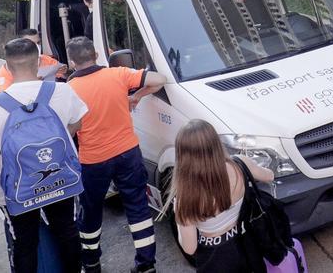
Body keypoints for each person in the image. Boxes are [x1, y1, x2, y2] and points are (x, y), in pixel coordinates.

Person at [0, 37, 87, 273]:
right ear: (38, 62)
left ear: (6, 67)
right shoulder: (62, 90)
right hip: (60, 178)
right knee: (67, 231)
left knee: (25, 244)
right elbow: (76, 124)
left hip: (18, 188)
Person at [63, 36, 167, 273]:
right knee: (138, 207)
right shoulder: (118, 74)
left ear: (71, 61)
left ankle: (91, 264)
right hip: (127, 152)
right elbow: (159, 80)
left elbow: (69, 127)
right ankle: (146, 264)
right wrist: (136, 96)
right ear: (96, 55)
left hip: (93, 160)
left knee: (90, 212)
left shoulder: (69, 90)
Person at [173, 119, 274, 273]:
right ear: (215, 143)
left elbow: (190, 247)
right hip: (247, 247)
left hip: (214, 261)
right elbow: (269, 176)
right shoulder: (240, 164)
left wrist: (178, 216)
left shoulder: (185, 198)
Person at [0, 28, 66, 92]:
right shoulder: (9, 67)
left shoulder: (47, 60)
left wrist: (64, 70)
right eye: (31, 43)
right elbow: (3, 95)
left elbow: (61, 78)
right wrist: (32, 84)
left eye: (38, 43)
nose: (36, 46)